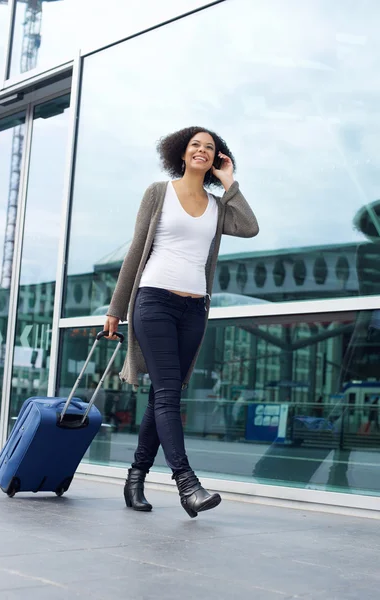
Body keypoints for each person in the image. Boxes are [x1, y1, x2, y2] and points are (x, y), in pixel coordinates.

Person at [104, 126, 259, 518]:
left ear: (216, 158)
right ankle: (187, 485)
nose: (202, 151)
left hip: (194, 310)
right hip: (154, 300)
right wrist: (116, 309)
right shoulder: (159, 193)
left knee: (163, 395)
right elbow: (136, 249)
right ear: (181, 152)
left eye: (210, 148)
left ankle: (135, 477)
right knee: (169, 393)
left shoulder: (217, 205)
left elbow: (250, 227)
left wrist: (230, 183)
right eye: (195, 145)